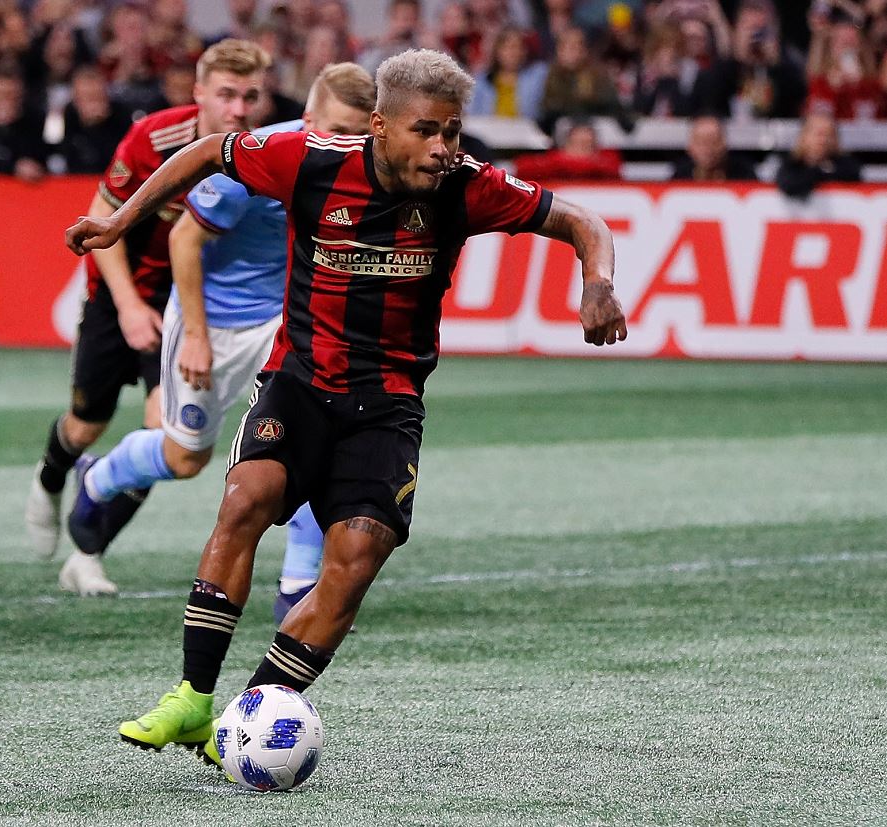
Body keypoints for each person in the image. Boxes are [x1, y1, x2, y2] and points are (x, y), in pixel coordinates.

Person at [64, 47, 627, 764]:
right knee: (246, 500)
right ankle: (192, 699)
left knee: (356, 557)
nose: (442, 148)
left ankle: (250, 711)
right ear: (377, 125)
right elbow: (209, 151)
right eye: (425, 130)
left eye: (452, 131)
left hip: (388, 404)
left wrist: (597, 282)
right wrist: (118, 223)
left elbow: (580, 219)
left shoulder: (467, 186)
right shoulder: (309, 158)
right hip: (298, 382)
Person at [62, 62, 376, 604]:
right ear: (307, 120)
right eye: (337, 132)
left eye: (360, 134)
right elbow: (185, 241)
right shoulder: (256, 161)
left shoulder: (372, 169)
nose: (348, 145)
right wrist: (198, 339)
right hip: (213, 319)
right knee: (186, 458)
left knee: (306, 441)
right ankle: (98, 476)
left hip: (286, 321)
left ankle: (298, 585)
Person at [24, 39, 271, 576]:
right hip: (120, 289)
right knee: (87, 424)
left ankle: (88, 552)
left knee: (165, 429)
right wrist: (131, 307)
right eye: (227, 95)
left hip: (187, 300)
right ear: (199, 93)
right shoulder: (155, 137)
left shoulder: (262, 152)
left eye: (250, 97)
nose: (239, 110)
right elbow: (101, 217)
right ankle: (49, 478)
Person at [776, 112, 861, 199]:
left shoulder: (846, 164)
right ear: (805, 136)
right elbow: (789, 185)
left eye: (828, 134)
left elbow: (853, 178)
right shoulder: (792, 163)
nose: (823, 140)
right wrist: (820, 170)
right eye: (818, 134)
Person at [512, 119, 622, 180]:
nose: (581, 152)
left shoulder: (606, 161)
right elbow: (522, 168)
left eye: (586, 144)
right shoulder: (550, 160)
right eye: (577, 144)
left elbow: (613, 169)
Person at [671, 114, 757, 181]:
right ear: (690, 146)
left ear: (724, 144)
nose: (707, 149)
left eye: (713, 141)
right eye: (701, 142)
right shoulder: (680, 177)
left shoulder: (743, 175)